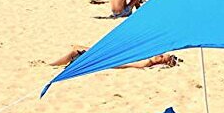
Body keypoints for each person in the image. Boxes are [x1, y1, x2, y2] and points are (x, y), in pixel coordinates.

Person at [49, 45, 179, 68]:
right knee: (77, 48)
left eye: (162, 57)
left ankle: (52, 65)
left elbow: (123, 65)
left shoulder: (146, 63)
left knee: (75, 51)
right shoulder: (146, 57)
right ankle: (53, 64)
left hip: (110, 59)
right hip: (113, 56)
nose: (159, 55)